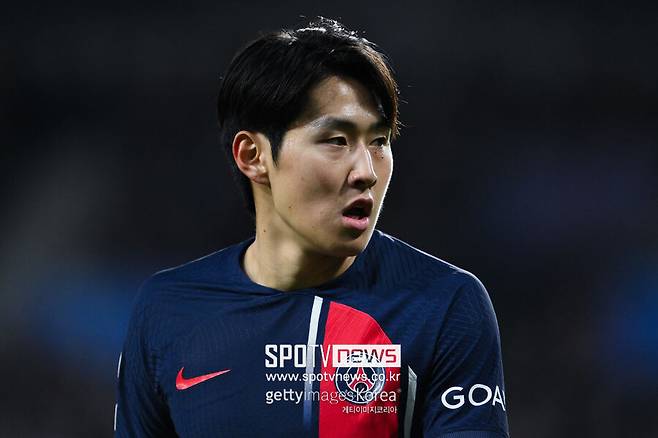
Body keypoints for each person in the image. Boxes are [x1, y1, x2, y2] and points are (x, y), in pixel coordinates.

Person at [115, 17, 510, 438]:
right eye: (337, 141)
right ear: (253, 156)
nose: (366, 171)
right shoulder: (166, 309)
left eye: (379, 142)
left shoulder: (443, 303)